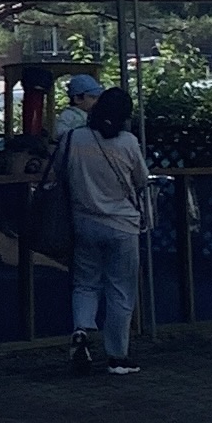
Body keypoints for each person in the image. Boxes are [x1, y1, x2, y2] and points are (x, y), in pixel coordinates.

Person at [64, 82, 150, 376]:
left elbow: (60, 172)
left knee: (85, 283)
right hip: (122, 224)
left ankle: (81, 330)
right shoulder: (128, 142)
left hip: (83, 221)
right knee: (121, 290)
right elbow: (141, 179)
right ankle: (117, 355)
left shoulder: (74, 138)